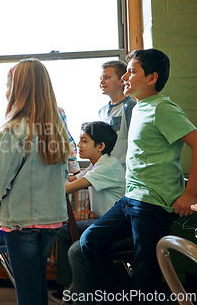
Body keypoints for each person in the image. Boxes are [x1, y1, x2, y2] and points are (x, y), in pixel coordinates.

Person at [80, 49, 197, 303]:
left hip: (152, 204)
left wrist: (190, 194)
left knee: (146, 278)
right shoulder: (139, 107)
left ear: (152, 78)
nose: (125, 78)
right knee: (90, 240)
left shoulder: (163, 108)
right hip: (130, 198)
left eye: (132, 72)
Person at [0, 58, 71, 305]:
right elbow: (63, 176)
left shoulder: (11, 131)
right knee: (37, 282)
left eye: (9, 84)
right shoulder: (57, 129)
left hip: (20, 222)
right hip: (52, 219)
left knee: (28, 290)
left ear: (18, 88)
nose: (6, 91)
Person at [52, 121, 125, 303]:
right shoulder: (96, 165)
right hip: (102, 223)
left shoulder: (107, 167)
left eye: (84, 141)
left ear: (100, 146)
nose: (78, 145)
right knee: (63, 232)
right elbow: (71, 180)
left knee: (78, 250)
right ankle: (68, 287)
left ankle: (82, 299)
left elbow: (67, 188)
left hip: (119, 228)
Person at [98, 60, 136, 167]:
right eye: (101, 78)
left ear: (121, 81)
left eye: (107, 78)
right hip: (107, 169)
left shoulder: (130, 107)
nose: (102, 82)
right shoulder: (102, 111)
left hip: (124, 170)